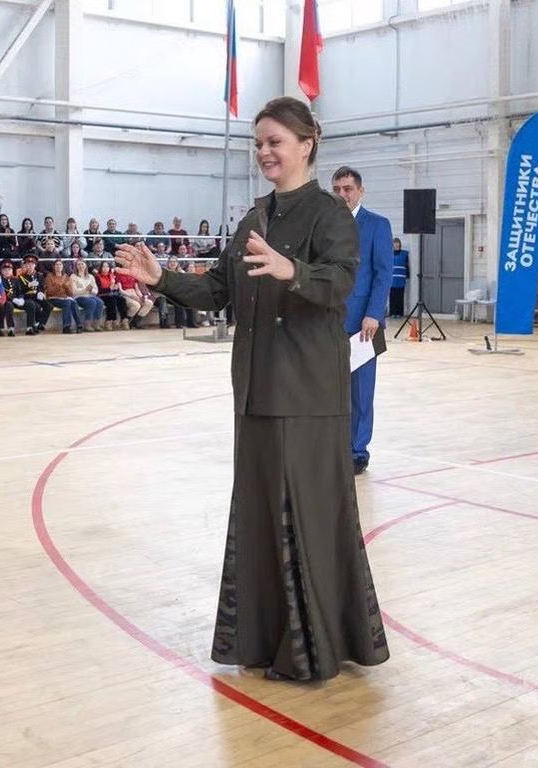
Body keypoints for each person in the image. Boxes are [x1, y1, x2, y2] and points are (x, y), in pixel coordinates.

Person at [114, 96, 389, 682]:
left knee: (303, 515)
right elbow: (219, 288)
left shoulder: (329, 214)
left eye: (275, 142)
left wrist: (296, 272)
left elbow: (341, 283)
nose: (264, 152)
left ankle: (310, 651)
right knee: (264, 517)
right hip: (257, 393)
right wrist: (162, 279)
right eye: (258, 143)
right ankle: (265, 642)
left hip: (308, 395)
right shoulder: (254, 218)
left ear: (306, 144)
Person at [331, 165, 393, 475]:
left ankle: (357, 451)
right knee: (329, 388)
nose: (342, 194)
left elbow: (383, 273)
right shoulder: (325, 225)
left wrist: (374, 314)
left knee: (360, 389)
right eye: (337, 189)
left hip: (362, 323)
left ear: (360, 191)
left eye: (348, 189)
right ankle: (332, 447)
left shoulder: (377, 225)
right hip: (327, 321)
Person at [389, 237, 409, 318]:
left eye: (397, 244)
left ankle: (399, 313)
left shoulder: (404, 254)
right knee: (392, 296)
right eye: (395, 244)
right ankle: (392, 312)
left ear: (399, 244)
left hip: (401, 279)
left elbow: (407, 266)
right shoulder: (389, 254)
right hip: (392, 279)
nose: (396, 245)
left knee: (400, 296)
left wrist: (408, 275)